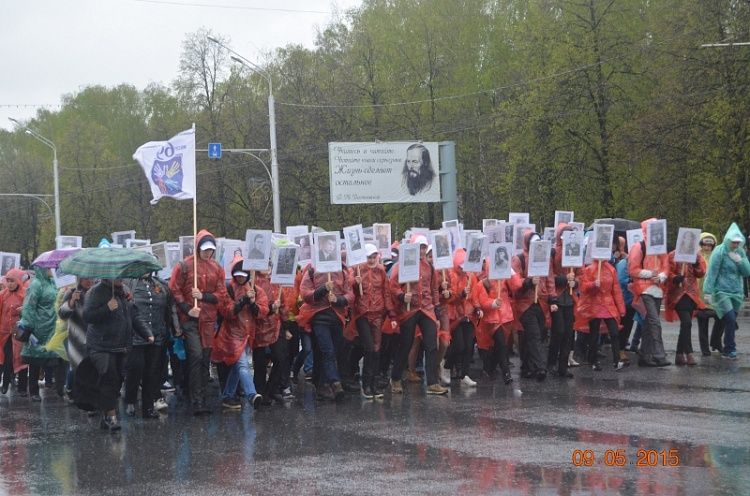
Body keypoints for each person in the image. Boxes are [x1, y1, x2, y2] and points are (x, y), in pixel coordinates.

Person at [169, 229, 230, 415]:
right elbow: (174, 289)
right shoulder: (184, 265)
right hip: (190, 320)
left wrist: (203, 296)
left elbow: (222, 295)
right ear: (197, 247)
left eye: (211, 249)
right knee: (195, 355)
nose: (208, 252)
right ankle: (196, 400)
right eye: (205, 249)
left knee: (204, 358)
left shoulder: (217, 268)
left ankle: (200, 396)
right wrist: (188, 308)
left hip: (209, 320)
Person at [80, 278, 153, 431]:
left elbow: (134, 315)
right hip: (100, 345)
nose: (120, 278)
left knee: (118, 380)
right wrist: (107, 308)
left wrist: (146, 333)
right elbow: (87, 316)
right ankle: (111, 417)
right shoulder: (95, 291)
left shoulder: (125, 290)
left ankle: (105, 414)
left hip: (122, 345)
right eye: (116, 276)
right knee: (109, 377)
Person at [388, 235, 448, 395]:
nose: (421, 251)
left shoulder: (430, 266)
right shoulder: (402, 265)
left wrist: (436, 308)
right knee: (406, 344)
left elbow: (434, 288)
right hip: (409, 310)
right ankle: (395, 378)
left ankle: (433, 383)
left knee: (431, 345)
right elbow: (392, 286)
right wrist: (402, 296)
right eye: (419, 247)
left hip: (427, 309)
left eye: (423, 248)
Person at [212, 256, 265, 410]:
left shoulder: (255, 289)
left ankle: (228, 396)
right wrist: (243, 301)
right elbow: (227, 311)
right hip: (231, 335)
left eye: (243, 274)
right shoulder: (227, 289)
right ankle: (251, 394)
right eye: (238, 274)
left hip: (248, 333)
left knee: (237, 367)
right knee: (243, 364)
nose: (241, 277)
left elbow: (262, 311)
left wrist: (254, 303)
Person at [297, 256, 354, 401]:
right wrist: (323, 289)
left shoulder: (342, 270)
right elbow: (305, 294)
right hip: (319, 318)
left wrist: (338, 300)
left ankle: (321, 383)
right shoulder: (311, 270)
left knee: (330, 352)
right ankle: (335, 383)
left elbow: (350, 294)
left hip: (337, 318)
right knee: (327, 351)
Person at [124, 273, 179, 419]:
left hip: (156, 335)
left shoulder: (160, 284)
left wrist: (176, 329)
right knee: (135, 369)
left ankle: (148, 407)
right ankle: (130, 400)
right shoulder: (128, 282)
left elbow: (170, 307)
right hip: (135, 335)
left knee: (151, 371)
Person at [511, 230, 558, 381]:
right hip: (524, 304)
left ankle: (527, 366)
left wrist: (553, 299)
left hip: (540, 302)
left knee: (535, 334)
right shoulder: (518, 259)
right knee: (534, 335)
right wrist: (528, 282)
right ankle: (540, 368)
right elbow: (514, 281)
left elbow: (549, 279)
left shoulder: (544, 258)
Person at [352, 244, 396, 398]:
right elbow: (351, 294)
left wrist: (392, 315)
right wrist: (355, 284)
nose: (371, 260)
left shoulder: (381, 271)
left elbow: (386, 293)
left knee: (377, 349)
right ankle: (366, 384)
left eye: (373, 257)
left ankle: (374, 384)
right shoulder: (357, 270)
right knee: (369, 348)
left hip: (378, 314)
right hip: (362, 314)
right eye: (368, 257)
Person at [18, 266, 68, 401]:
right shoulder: (35, 285)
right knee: (35, 359)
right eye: (49, 268)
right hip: (39, 328)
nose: (52, 270)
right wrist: (29, 325)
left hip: (54, 327)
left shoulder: (53, 283)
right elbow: (29, 306)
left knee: (57, 357)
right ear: (42, 269)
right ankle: (34, 392)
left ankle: (59, 389)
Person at [702, 223, 750, 359]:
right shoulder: (719, 251)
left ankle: (721, 344)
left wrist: (740, 260)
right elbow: (712, 272)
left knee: (729, 319)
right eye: (733, 242)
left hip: (736, 291)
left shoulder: (740, 252)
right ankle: (730, 348)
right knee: (729, 319)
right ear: (728, 240)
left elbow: (747, 272)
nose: (735, 245)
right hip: (721, 291)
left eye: (737, 242)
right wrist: (708, 292)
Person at [628, 219, 670, 367]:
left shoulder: (661, 248)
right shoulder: (639, 246)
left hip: (657, 289)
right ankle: (659, 354)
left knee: (648, 323)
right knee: (654, 321)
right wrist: (649, 274)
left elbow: (666, 267)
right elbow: (633, 269)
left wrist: (662, 276)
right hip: (644, 289)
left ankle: (645, 356)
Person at [575, 257, 627, 371]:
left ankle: (616, 360)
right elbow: (583, 287)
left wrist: (621, 308)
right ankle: (593, 361)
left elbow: (616, 290)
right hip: (594, 305)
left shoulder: (611, 269)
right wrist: (593, 284)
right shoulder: (589, 269)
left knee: (614, 332)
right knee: (594, 334)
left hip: (608, 305)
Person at [444, 249, 480, 387]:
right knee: (459, 345)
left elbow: (475, 295)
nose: (463, 269)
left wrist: (477, 308)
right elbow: (449, 298)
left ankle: (464, 374)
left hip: (468, 315)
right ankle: (447, 366)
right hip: (455, 315)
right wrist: (461, 295)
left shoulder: (470, 276)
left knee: (469, 346)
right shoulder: (450, 275)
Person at [664, 249, 706, 366]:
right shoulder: (672, 255)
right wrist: (674, 277)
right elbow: (667, 271)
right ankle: (689, 353)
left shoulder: (696, 255)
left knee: (685, 325)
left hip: (691, 295)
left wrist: (696, 264)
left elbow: (701, 272)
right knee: (687, 323)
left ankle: (679, 354)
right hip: (677, 295)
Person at [253, 269, 288, 404]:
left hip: (276, 325)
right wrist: (271, 307)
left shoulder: (276, 280)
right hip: (259, 325)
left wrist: (286, 326)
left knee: (281, 357)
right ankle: (260, 391)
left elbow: (283, 304)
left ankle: (272, 388)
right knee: (260, 360)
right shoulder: (253, 281)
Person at [57, 277, 95, 398]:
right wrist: (72, 301)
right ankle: (73, 391)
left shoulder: (97, 292)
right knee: (77, 367)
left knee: (93, 368)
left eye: (90, 278)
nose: (88, 281)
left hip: (95, 337)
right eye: (84, 279)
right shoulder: (71, 292)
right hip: (77, 337)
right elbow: (62, 314)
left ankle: (89, 397)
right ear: (79, 279)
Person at [549, 223, 578, 378]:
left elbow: (580, 274)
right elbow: (549, 276)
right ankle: (551, 363)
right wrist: (564, 279)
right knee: (558, 331)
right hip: (558, 297)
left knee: (568, 333)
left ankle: (562, 366)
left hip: (570, 298)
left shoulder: (575, 251)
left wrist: (576, 282)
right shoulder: (553, 252)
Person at [695, 233, 724, 355]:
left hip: (714, 293)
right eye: (704, 244)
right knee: (702, 321)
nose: (707, 247)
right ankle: (704, 348)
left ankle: (715, 341)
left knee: (722, 317)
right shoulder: (695, 256)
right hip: (698, 293)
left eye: (709, 245)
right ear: (700, 244)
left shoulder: (717, 255)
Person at [0, 268, 26, 395]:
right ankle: (5, 384)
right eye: (8, 281)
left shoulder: (24, 294)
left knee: (21, 359)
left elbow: (30, 313)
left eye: (12, 281)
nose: (10, 284)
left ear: (18, 281)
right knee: (7, 359)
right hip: (4, 333)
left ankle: (22, 388)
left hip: (19, 333)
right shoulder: (2, 295)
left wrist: (24, 310)